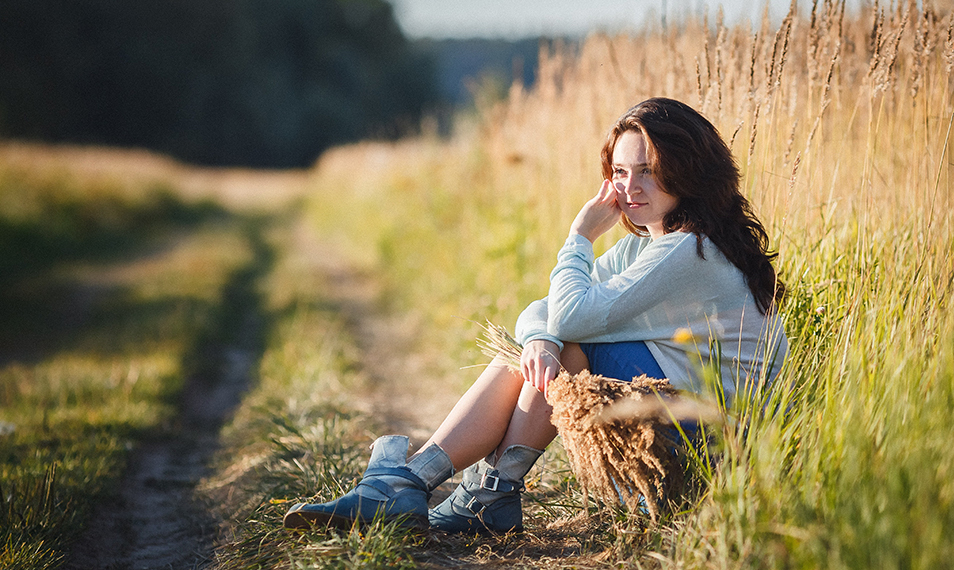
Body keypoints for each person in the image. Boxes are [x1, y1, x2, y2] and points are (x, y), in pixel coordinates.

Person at [283, 97, 788, 534]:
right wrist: (539, 341)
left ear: (687, 171)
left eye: (648, 171)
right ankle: (455, 491)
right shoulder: (660, 240)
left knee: (568, 347)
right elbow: (547, 311)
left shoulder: (686, 250)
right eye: (619, 172)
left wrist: (581, 238)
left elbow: (568, 315)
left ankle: (433, 488)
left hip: (706, 452)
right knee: (545, 349)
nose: (630, 187)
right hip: (674, 427)